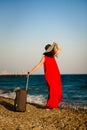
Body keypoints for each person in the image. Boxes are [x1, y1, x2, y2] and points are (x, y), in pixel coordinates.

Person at [28, 42, 63, 109]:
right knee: (52, 90)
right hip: (50, 76)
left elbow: (59, 49)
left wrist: (56, 44)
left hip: (55, 75)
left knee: (55, 90)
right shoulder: (45, 57)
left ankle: (52, 105)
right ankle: (50, 105)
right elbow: (38, 65)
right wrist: (31, 71)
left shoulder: (53, 55)